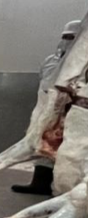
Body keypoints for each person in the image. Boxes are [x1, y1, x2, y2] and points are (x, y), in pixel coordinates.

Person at [13, 19, 81, 195]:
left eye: (72, 38)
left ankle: (68, 191)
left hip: (71, 113)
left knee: (69, 153)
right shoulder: (50, 61)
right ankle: (40, 184)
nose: (67, 41)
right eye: (66, 37)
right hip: (47, 111)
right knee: (43, 146)